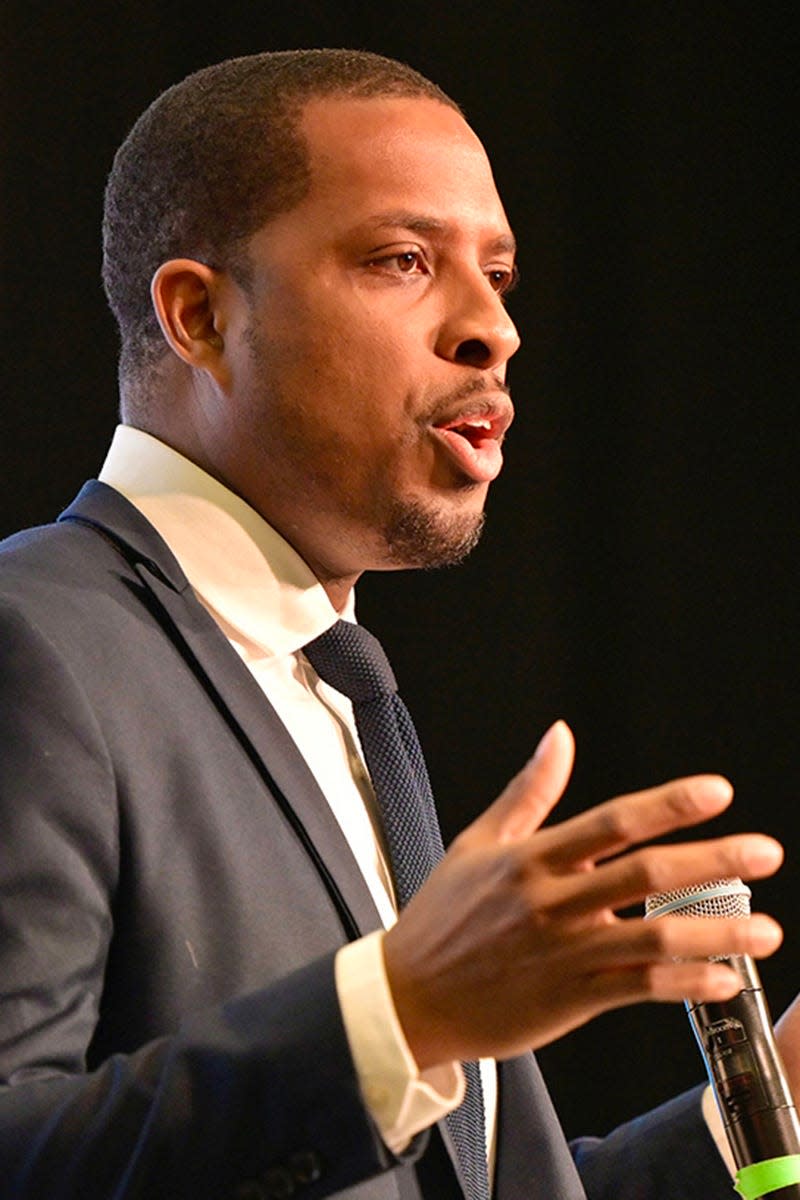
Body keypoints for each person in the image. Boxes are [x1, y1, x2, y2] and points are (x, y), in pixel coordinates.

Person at [0, 47, 796, 1200]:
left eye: (499, 275)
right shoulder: (38, 643)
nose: (492, 330)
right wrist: (400, 1017)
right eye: (402, 261)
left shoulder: (334, 688)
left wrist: (769, 1110)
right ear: (198, 314)